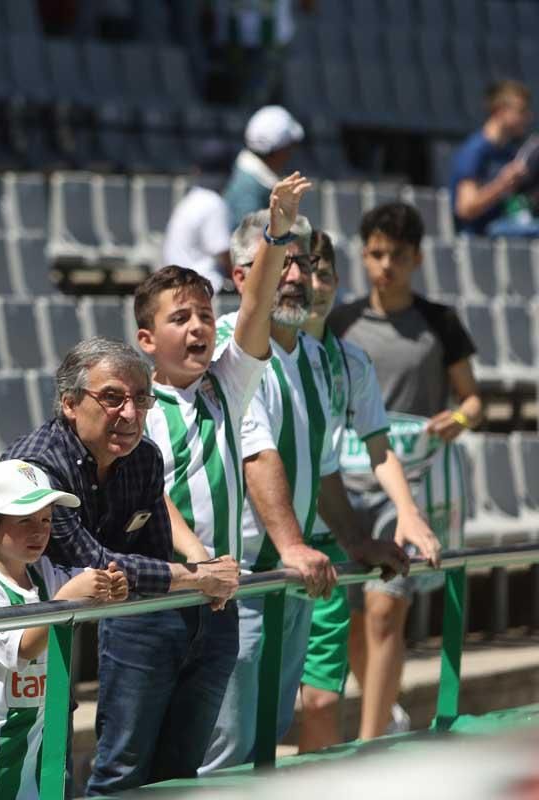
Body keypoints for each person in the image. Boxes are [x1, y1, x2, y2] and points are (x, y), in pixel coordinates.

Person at [0, 338, 242, 776]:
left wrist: (184, 574)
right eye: (111, 398)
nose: (129, 413)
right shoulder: (40, 463)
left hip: (47, 674)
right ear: (69, 403)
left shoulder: (145, 458)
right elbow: (99, 563)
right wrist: (197, 577)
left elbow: (149, 561)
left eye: (140, 399)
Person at [116, 173, 308, 791]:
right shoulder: (130, 404)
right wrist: (197, 558)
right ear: (147, 340)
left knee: (186, 771)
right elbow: (148, 493)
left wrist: (276, 232)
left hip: (217, 603)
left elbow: (254, 309)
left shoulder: (228, 385)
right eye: (180, 318)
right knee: (123, 766)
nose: (199, 327)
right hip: (152, 605)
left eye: (205, 314)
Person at [200, 211, 409, 773]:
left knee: (264, 744)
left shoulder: (317, 357)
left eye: (305, 263)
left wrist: (356, 541)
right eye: (281, 262)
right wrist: (291, 545)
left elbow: (322, 472)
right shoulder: (228, 347)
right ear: (243, 276)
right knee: (222, 758)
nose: (297, 276)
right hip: (234, 580)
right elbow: (256, 453)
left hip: (285, 585)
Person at [329, 202, 482, 741]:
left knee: (384, 612)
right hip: (345, 486)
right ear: (363, 254)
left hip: (408, 486)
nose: (385, 264)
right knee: (351, 619)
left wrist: (458, 418)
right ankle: (387, 714)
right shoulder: (340, 322)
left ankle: (370, 745)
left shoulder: (439, 322)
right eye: (375, 253)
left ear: (416, 258)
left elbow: (472, 399)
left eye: (396, 254)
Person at [296, 229, 443, 752]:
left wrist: (408, 510)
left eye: (323, 273)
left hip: (325, 545)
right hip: (258, 550)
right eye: (301, 269)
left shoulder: (348, 361)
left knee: (319, 702)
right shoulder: (253, 352)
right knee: (248, 717)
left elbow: (378, 448)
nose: (312, 283)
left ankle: (367, 756)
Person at [0, 460, 127, 800]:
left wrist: (109, 586)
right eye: (25, 520)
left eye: (45, 519)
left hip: (39, 740)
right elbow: (24, 647)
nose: (39, 530)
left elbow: (85, 590)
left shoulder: (44, 572)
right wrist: (67, 599)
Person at [450, 79, 539, 237]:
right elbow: (465, 208)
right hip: (479, 234)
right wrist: (503, 183)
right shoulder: (475, 151)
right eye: (522, 111)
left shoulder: (509, 151)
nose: (528, 117)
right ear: (501, 111)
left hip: (506, 226)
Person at [162, 140, 238, 292]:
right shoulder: (213, 203)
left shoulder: (191, 199)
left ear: (197, 170)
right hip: (201, 288)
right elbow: (224, 254)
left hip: (178, 284)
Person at [223, 105, 304, 228]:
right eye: (289, 147)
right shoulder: (250, 190)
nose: (291, 153)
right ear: (279, 150)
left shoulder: (250, 175)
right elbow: (249, 243)